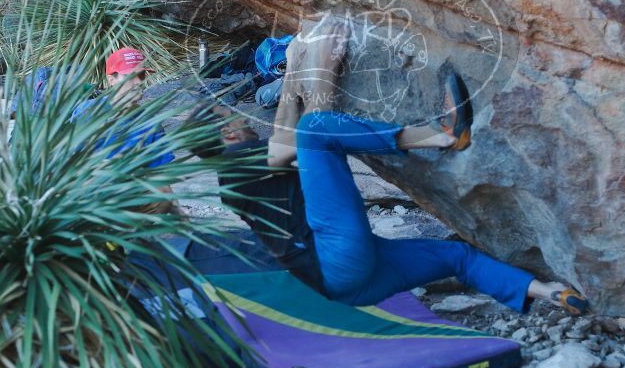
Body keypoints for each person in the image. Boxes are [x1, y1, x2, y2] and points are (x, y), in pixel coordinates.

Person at [189, 25, 589, 315]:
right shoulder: (233, 170)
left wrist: (296, 61)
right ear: (223, 131)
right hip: (335, 258)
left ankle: (549, 292)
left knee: (456, 257)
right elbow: (309, 129)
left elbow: (282, 125)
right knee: (316, 130)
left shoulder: (244, 165)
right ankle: (441, 135)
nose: (241, 118)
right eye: (231, 116)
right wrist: (326, 64)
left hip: (349, 287)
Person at [72, 47, 182, 215]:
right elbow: (67, 163)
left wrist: (179, 219)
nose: (138, 82)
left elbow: (161, 179)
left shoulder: (150, 122)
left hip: (131, 194)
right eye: (130, 76)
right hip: (91, 193)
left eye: (141, 75)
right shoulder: (87, 113)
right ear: (111, 80)